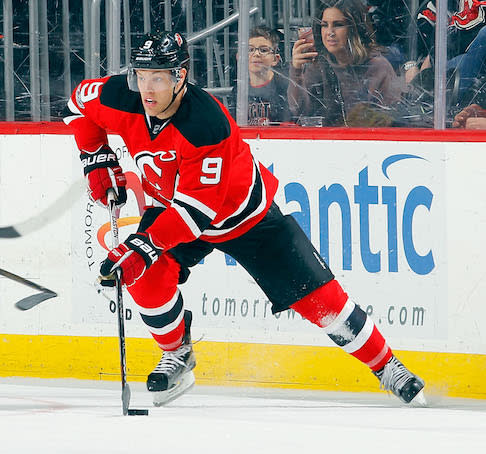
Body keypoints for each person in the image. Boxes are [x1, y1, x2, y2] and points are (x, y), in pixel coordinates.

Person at [63, 30, 426, 407]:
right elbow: (77, 107)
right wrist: (97, 161)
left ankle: (388, 367)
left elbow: (196, 212)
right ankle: (177, 353)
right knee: (146, 277)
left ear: (180, 76)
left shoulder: (205, 122)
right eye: (141, 75)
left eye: (158, 77)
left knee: (322, 300)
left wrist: (143, 246)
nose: (147, 88)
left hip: (242, 216)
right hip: (171, 207)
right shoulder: (120, 96)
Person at [287, 0, 403, 126]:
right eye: (324, 25)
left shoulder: (378, 67)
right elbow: (301, 112)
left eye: (338, 25)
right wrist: (296, 71)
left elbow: (390, 121)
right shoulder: (320, 66)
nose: (330, 32)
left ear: (354, 29)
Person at [229, 25, 291, 125]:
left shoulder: (284, 86)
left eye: (264, 50)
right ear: (239, 57)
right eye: (250, 50)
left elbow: (288, 125)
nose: (256, 54)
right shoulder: (239, 89)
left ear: (275, 59)